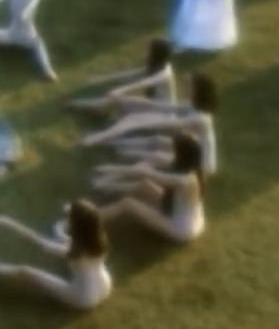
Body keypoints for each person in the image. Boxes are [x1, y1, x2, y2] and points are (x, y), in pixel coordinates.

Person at [0, 200, 112, 310]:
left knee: (25, 272)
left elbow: (38, 242)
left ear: (77, 227)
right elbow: (78, 233)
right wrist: (67, 219)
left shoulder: (73, 253)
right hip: (104, 286)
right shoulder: (99, 241)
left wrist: (7, 222)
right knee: (62, 239)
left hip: (83, 298)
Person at [79, 73, 219, 176]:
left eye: (189, 86)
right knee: (155, 140)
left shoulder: (201, 118)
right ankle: (107, 143)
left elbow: (165, 125)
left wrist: (139, 120)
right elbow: (162, 107)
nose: (185, 88)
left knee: (155, 154)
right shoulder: (191, 106)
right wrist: (129, 101)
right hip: (192, 151)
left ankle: (110, 153)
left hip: (202, 165)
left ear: (198, 91)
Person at [91, 134, 207, 244]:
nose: (173, 152)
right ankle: (105, 187)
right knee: (144, 185)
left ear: (182, 155)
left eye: (175, 150)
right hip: (188, 218)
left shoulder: (184, 180)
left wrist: (112, 169)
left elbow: (149, 174)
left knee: (127, 204)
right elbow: (160, 162)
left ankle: (89, 220)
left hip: (181, 229)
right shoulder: (195, 170)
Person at [66, 38, 177, 115]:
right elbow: (132, 74)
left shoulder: (164, 74)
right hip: (153, 105)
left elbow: (142, 84)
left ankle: (82, 107)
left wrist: (120, 91)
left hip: (161, 112)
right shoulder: (157, 66)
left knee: (119, 101)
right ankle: (85, 106)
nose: (147, 52)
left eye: (150, 50)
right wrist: (103, 78)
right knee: (121, 102)